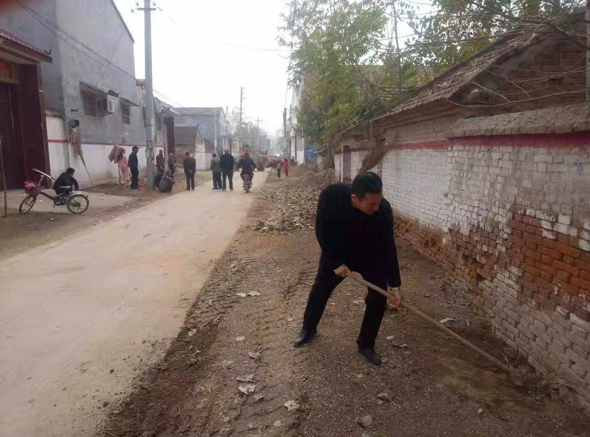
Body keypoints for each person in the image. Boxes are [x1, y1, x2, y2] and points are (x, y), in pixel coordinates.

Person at [293, 172, 402, 366]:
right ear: (355, 198)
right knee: (321, 288)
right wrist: (335, 263)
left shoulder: (383, 209)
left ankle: (366, 344)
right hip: (338, 252)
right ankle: (308, 329)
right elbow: (322, 231)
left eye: (379, 202)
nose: (377, 208)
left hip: (370, 255)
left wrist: (395, 284)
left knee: (378, 297)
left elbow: (388, 246)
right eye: (371, 204)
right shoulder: (331, 196)